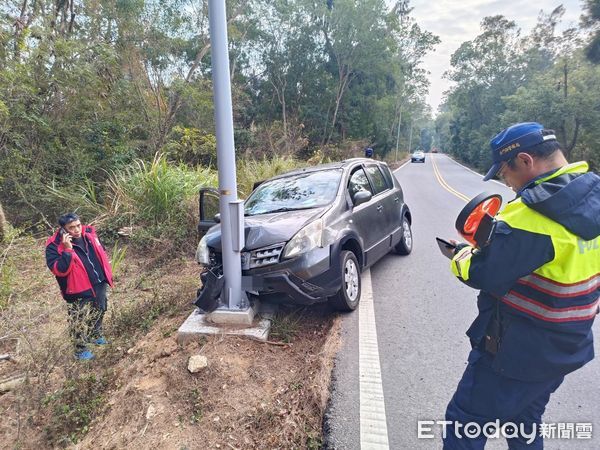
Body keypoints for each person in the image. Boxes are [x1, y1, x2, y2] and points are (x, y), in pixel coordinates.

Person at [444, 122, 600, 449]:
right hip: (567, 347)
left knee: (464, 422)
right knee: (524, 423)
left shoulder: (529, 216)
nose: (507, 183)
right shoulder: (594, 192)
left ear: (526, 161)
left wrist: (461, 256)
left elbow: (483, 273)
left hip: (514, 352)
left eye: (505, 173)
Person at [45, 213, 114, 360]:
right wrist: (68, 249)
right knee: (78, 318)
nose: (77, 230)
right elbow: (59, 270)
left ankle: (95, 334)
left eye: (78, 225)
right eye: (71, 228)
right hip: (76, 287)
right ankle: (79, 349)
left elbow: (102, 251)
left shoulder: (90, 233)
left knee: (101, 307)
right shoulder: (54, 245)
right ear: (63, 230)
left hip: (99, 279)